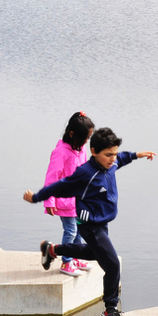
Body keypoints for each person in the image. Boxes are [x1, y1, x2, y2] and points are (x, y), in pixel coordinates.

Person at [23, 127, 155, 316]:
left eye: (114, 154)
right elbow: (59, 186)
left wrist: (138, 155)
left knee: (94, 254)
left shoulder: (111, 163)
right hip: (90, 225)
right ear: (93, 151)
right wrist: (37, 198)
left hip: (102, 222)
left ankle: (52, 250)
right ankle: (110, 310)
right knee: (112, 264)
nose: (112, 159)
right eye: (108, 155)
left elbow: (123, 158)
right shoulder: (85, 173)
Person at [42, 111, 95, 277]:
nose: (86, 141)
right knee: (71, 231)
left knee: (79, 230)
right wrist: (49, 201)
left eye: (88, 138)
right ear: (72, 134)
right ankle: (66, 261)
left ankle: (75, 257)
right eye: (84, 138)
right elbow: (52, 177)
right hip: (65, 202)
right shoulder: (61, 152)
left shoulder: (81, 149)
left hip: (79, 201)